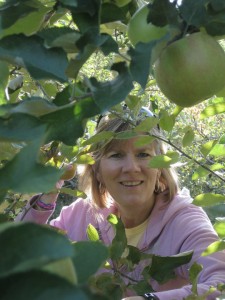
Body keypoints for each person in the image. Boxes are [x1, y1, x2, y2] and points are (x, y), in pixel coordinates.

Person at [16, 107, 225, 300]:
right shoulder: (82, 215)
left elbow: (220, 285)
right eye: (116, 155)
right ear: (97, 169)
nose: (131, 168)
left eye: (143, 154)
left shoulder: (183, 221)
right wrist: (46, 196)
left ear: (160, 166)